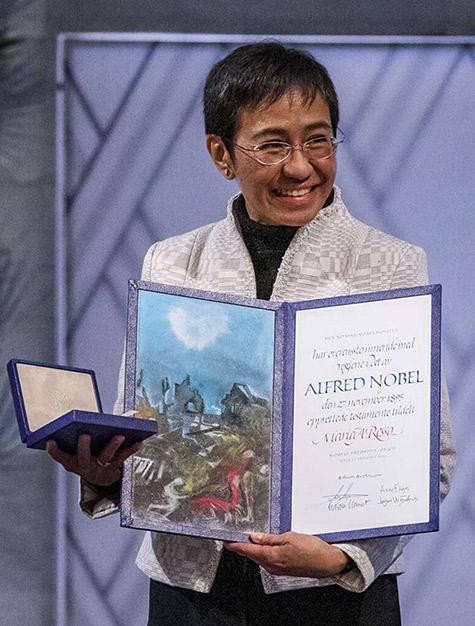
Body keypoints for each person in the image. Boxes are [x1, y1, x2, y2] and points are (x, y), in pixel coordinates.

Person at [47, 42, 455, 625]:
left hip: (336, 597)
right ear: (221, 153)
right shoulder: (171, 262)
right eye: (273, 144)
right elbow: (142, 431)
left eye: (318, 139)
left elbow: (429, 459)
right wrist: (107, 470)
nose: (300, 165)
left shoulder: (389, 266)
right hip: (190, 589)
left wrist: (346, 557)